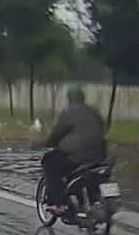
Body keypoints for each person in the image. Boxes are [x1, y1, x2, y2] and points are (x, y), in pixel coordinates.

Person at [41, 85, 107, 215]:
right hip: (99, 156)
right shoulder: (94, 111)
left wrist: (48, 143)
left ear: (69, 99)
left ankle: (58, 204)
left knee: (50, 163)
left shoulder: (69, 112)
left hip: (77, 156)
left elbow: (57, 132)